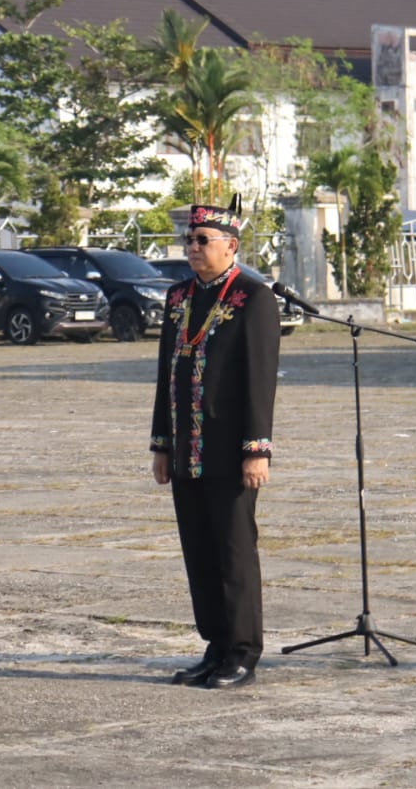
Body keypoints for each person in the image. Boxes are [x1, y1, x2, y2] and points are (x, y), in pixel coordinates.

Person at [150, 200, 281, 689]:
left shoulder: (252, 296)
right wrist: (161, 443)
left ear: (232, 245)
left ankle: (243, 650)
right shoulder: (179, 297)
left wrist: (257, 448)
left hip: (230, 449)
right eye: (189, 239)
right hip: (186, 448)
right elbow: (166, 375)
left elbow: (259, 379)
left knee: (232, 550)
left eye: (203, 240)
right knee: (199, 550)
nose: (193, 248)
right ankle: (215, 644)